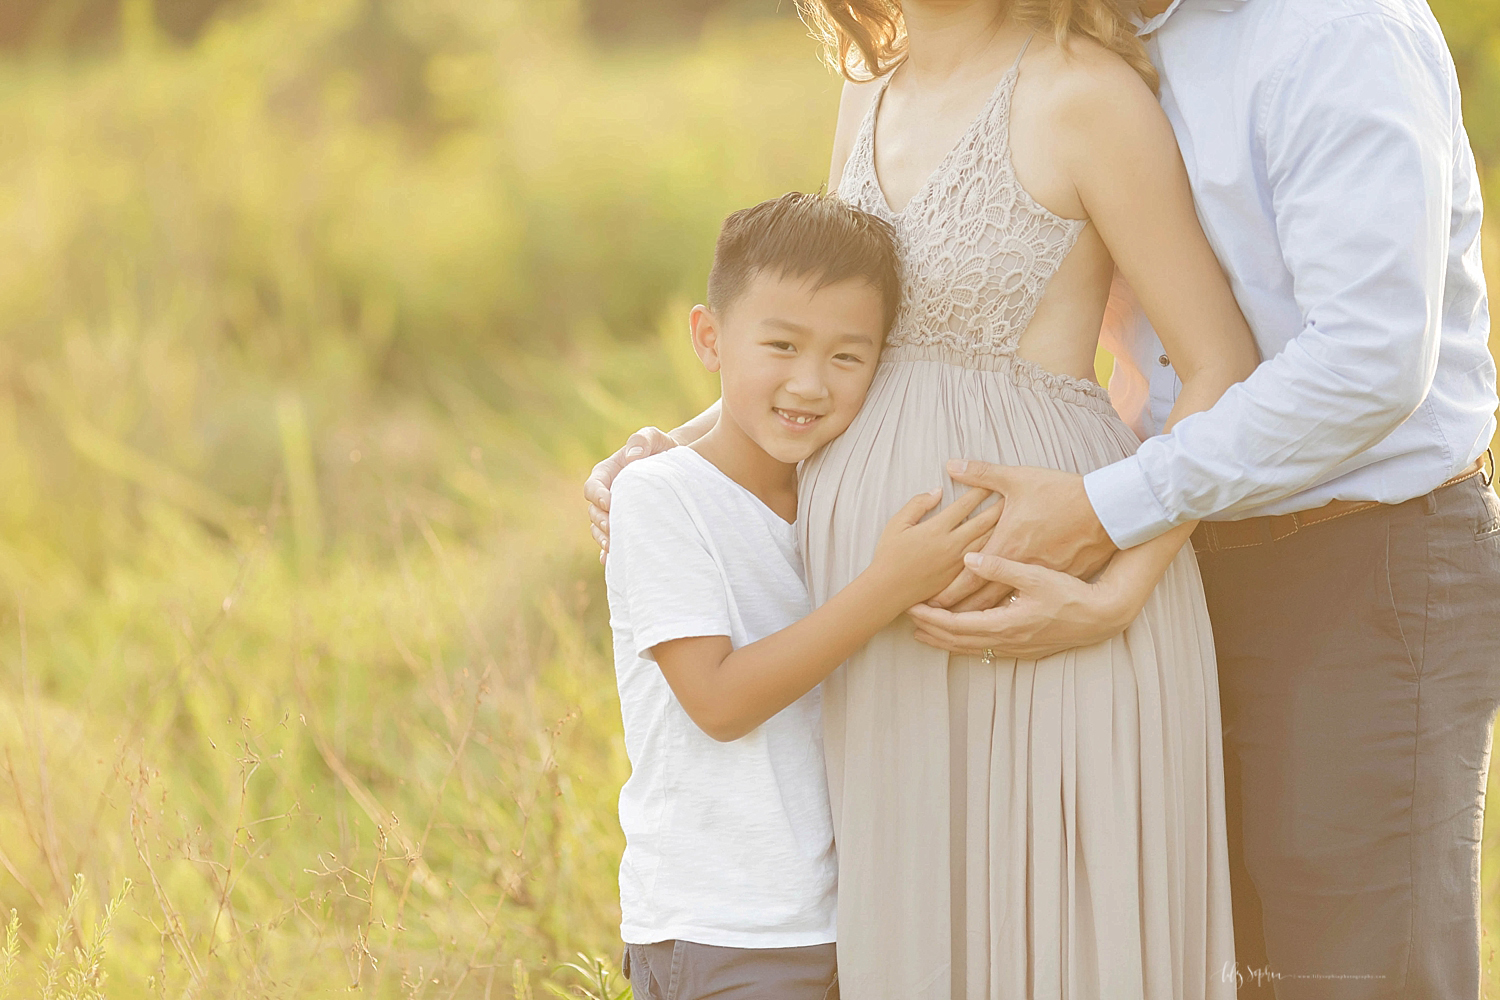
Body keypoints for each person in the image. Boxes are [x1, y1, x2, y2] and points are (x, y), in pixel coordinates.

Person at [591, 2, 1266, 995]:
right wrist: (671, 448)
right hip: (877, 634)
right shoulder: (866, 89)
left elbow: (1221, 363)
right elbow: (836, 343)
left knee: (1054, 950)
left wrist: (1124, 579)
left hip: (1049, 594)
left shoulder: (1086, 94)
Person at [899, 2, 1500, 997]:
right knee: (1207, 964)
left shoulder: (1337, 27)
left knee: (1354, 968)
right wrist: (704, 456)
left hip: (1364, 562)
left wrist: (1110, 507)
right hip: (1177, 564)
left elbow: (1371, 359)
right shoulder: (1081, 35)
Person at [605, 192, 1002, 1000]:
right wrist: (887, 587)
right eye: (781, 346)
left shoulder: (837, 502)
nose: (810, 383)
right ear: (709, 339)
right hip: (724, 928)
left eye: (847, 358)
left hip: (846, 921)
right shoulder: (661, 495)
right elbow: (716, 701)